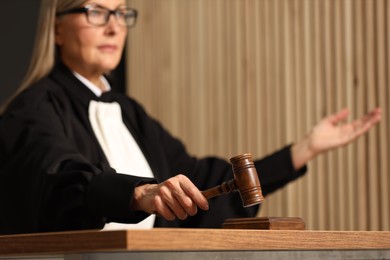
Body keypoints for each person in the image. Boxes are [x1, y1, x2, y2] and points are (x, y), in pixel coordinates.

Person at [0, 0, 381, 235]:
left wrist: (303, 150)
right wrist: (138, 193)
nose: (114, 26)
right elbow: (58, 178)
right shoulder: (31, 110)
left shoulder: (131, 113)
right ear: (56, 28)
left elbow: (201, 183)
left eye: (120, 12)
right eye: (96, 11)